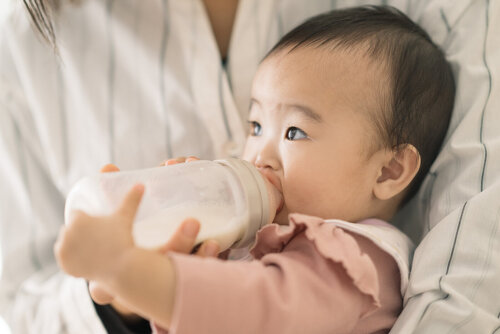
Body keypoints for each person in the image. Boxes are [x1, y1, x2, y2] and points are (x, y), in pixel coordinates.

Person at [1, 0, 499, 334]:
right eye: (255, 125)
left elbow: (256, 308)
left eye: (295, 133)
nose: (257, 155)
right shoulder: (272, 242)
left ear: (389, 171)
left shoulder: (357, 260)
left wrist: (130, 271)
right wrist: (129, 297)